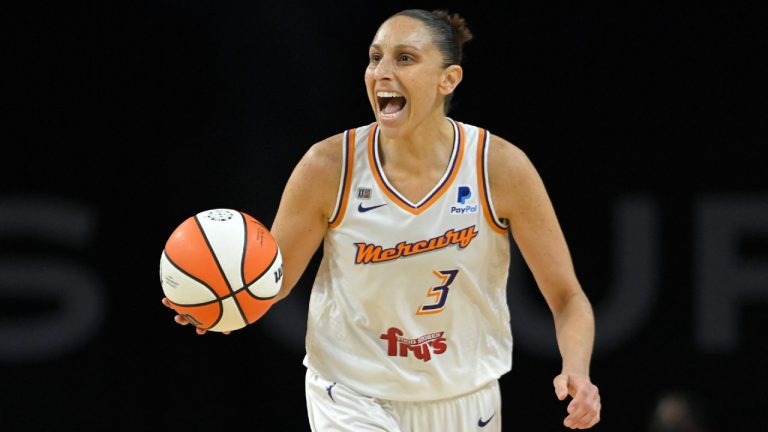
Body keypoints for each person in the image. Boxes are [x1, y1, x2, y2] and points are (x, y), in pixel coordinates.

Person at [163, 8, 601, 431]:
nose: (382, 72)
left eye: (404, 58)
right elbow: (270, 284)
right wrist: (219, 300)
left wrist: (578, 371)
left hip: (465, 396)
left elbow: (567, 298)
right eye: (375, 58)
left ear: (448, 79)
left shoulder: (499, 168)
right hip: (350, 393)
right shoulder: (328, 166)